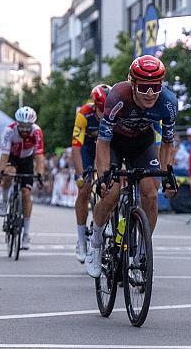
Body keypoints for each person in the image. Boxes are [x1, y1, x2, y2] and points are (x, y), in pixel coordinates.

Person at [85, 55, 178, 278]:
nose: (149, 94)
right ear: (133, 84)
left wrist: (167, 175)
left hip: (142, 143)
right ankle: (95, 242)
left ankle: (141, 255)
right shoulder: (118, 96)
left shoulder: (168, 102)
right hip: (115, 143)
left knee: (151, 194)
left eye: (155, 87)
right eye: (144, 87)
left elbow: (167, 143)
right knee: (111, 193)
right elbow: (103, 142)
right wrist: (103, 176)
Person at [0, 106, 45, 250]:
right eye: (21, 126)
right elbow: (4, 156)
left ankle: (26, 234)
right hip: (12, 157)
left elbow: (39, 155)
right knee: (9, 172)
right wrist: (0, 174)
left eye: (27, 126)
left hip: (27, 159)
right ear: (17, 123)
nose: (23, 129)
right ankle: (4, 201)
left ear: (32, 124)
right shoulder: (9, 131)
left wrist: (40, 173)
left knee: (26, 194)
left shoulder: (36, 131)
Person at [71, 83, 111, 263]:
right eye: (101, 109)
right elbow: (76, 148)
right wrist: (81, 174)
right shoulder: (84, 114)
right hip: (88, 150)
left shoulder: (115, 111)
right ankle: (81, 240)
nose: (104, 112)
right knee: (85, 189)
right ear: (95, 105)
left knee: (114, 184)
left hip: (108, 148)